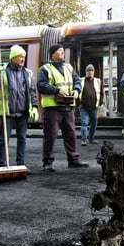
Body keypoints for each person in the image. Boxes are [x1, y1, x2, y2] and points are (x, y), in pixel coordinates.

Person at [36, 43, 88, 172]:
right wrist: (57, 90)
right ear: (52, 54)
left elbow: (77, 81)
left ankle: (73, 160)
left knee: (70, 134)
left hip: (68, 107)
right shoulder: (45, 69)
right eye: (59, 51)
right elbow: (41, 85)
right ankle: (47, 162)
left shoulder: (69, 67)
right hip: (52, 108)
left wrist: (76, 90)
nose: (62, 52)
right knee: (50, 136)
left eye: (62, 51)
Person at [0, 45, 38, 166]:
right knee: (4, 140)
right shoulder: (3, 71)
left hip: (23, 112)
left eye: (24, 57)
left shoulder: (27, 73)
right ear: (13, 57)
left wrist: (35, 106)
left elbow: (32, 91)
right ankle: (2, 164)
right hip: (7, 112)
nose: (23, 59)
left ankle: (20, 163)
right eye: (20, 56)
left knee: (22, 139)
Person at [78, 64, 102, 146]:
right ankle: (84, 139)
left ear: (94, 72)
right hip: (83, 107)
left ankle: (91, 138)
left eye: (91, 71)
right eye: (88, 71)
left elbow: (101, 93)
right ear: (85, 72)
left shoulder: (97, 81)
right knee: (84, 123)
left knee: (94, 123)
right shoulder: (81, 80)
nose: (90, 72)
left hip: (94, 107)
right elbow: (77, 92)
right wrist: (78, 104)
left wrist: (99, 103)